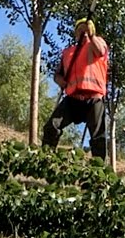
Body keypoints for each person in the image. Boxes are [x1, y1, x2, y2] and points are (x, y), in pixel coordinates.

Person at [43, 17, 109, 160]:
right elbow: (58, 74)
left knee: (98, 137)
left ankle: (99, 173)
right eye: (80, 30)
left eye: (86, 30)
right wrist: (60, 80)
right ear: (76, 33)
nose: (83, 33)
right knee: (51, 127)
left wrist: (91, 36)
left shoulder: (97, 43)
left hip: (94, 98)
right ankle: (45, 159)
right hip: (73, 99)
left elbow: (100, 51)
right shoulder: (67, 53)